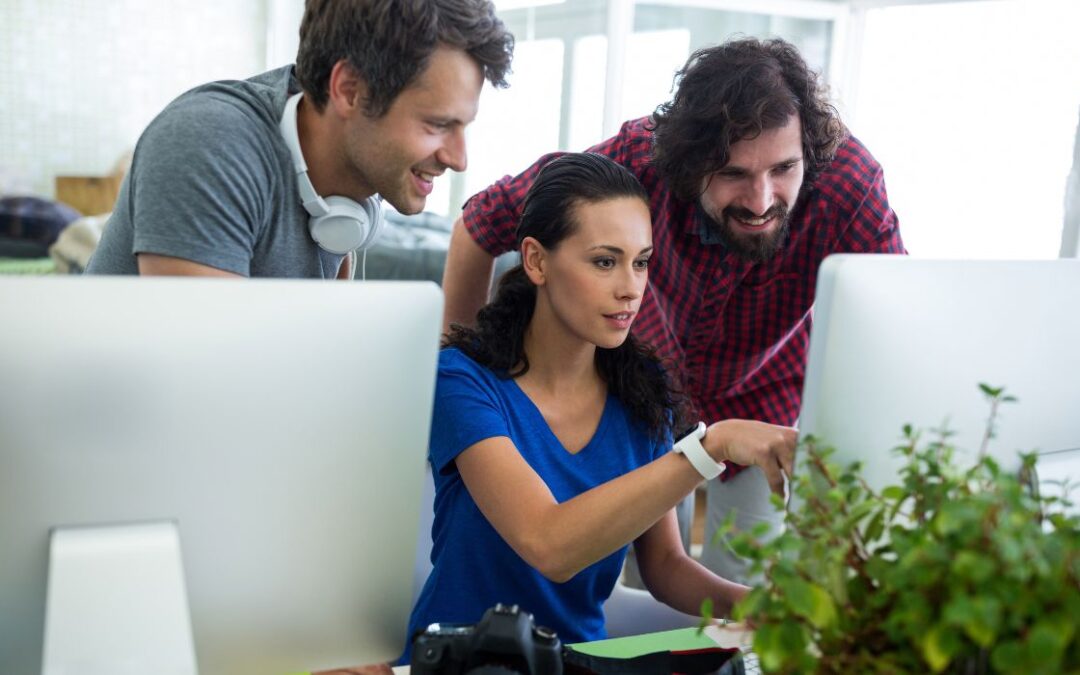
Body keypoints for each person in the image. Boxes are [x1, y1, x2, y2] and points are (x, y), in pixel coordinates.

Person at [439, 37, 906, 583]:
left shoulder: (850, 186)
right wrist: (471, 382)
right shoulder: (634, 160)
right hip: (645, 397)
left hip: (767, 399)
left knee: (742, 581)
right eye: (733, 174)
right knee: (637, 578)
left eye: (783, 169)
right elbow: (479, 227)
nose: (761, 200)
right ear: (689, 162)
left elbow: (887, 326)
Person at [402, 153, 797, 662]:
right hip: (455, 662)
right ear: (536, 260)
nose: (631, 288)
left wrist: (760, 607)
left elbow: (665, 567)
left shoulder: (643, 392)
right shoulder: (463, 381)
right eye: (605, 261)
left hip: (579, 665)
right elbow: (548, 544)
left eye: (641, 262)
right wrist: (710, 446)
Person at [86, 0, 513, 279]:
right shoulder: (208, 144)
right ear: (349, 90)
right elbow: (204, 385)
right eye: (437, 125)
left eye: (463, 126)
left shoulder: (357, 177)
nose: (459, 160)